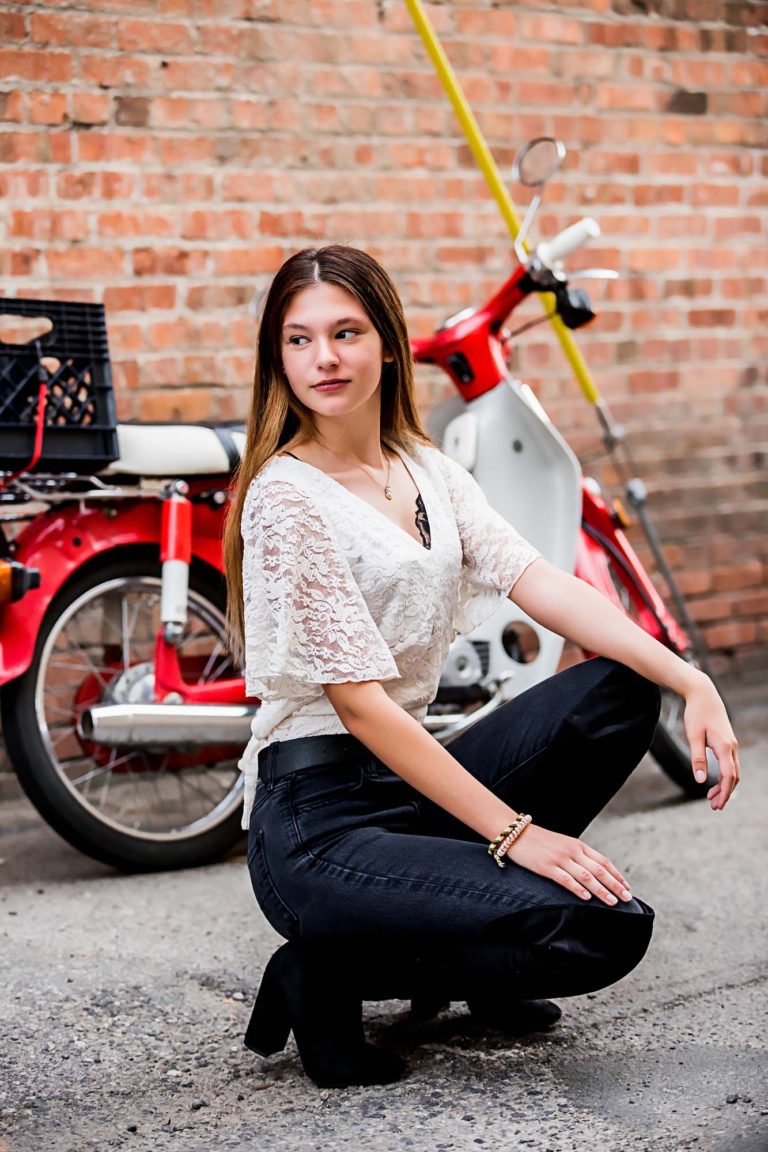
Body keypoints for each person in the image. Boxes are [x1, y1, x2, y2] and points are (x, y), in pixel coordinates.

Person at [223, 245, 739, 1089]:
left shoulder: (425, 468)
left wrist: (692, 679)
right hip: (315, 824)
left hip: (406, 786)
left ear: (387, 343)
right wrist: (515, 834)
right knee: (606, 927)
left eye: (346, 332)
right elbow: (361, 709)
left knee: (617, 689)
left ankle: (478, 947)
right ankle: (324, 973)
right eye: (299, 339)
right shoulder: (285, 498)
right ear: (276, 358)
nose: (324, 358)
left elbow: (541, 581)